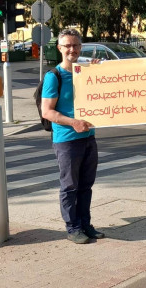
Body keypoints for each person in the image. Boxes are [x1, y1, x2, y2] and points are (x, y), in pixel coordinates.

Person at [41, 29, 104, 244]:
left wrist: (99, 72)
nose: (72, 49)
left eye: (76, 45)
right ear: (59, 48)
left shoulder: (85, 72)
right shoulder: (54, 76)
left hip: (89, 136)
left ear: (81, 47)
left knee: (86, 185)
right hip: (66, 138)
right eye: (67, 45)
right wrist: (73, 122)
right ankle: (73, 228)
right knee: (70, 186)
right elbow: (47, 111)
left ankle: (86, 224)